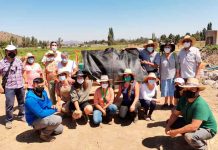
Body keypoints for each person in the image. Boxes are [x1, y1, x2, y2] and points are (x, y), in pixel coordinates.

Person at [165, 78, 217, 150]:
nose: (189, 91)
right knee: (171, 122)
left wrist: (175, 132)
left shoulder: (200, 104)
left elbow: (194, 126)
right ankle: (192, 140)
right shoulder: (183, 99)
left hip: (207, 129)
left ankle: (203, 147)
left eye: (193, 89)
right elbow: (175, 114)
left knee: (190, 137)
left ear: (198, 90)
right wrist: (168, 126)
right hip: (191, 122)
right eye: (187, 89)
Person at [25, 78, 63, 142]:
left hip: (44, 117)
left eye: (43, 86)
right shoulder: (30, 99)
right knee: (58, 119)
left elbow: (48, 101)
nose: (41, 87)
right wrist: (55, 110)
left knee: (59, 129)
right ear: (33, 85)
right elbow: (41, 114)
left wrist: (51, 106)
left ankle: (41, 129)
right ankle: (44, 135)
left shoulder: (43, 92)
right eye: (39, 86)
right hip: (35, 120)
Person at [0, 45, 25, 129]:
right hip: (9, 87)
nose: (11, 53)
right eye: (9, 51)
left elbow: (23, 71)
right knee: (9, 104)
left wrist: (25, 82)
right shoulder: (2, 63)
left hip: (20, 85)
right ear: (6, 52)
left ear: (16, 52)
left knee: (21, 102)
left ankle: (21, 115)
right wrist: (0, 87)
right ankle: (8, 120)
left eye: (13, 51)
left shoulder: (19, 61)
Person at [159, 42, 179, 109]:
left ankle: (171, 103)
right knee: (165, 89)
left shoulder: (174, 55)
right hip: (164, 76)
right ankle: (165, 103)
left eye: (168, 47)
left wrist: (177, 74)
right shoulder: (162, 56)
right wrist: (159, 75)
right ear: (163, 48)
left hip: (172, 75)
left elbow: (177, 65)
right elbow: (160, 66)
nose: (167, 48)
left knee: (172, 89)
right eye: (165, 47)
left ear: (171, 48)